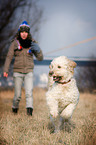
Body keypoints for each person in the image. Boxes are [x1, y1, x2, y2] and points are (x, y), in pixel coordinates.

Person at [3, 21, 43, 116]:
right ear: (19, 32)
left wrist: (38, 50)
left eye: (26, 32)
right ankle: (14, 110)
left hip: (29, 71)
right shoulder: (14, 43)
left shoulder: (32, 43)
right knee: (17, 96)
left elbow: (40, 58)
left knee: (29, 93)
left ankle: (29, 114)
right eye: (22, 32)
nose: (24, 34)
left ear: (28, 33)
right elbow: (9, 57)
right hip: (17, 72)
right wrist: (5, 70)